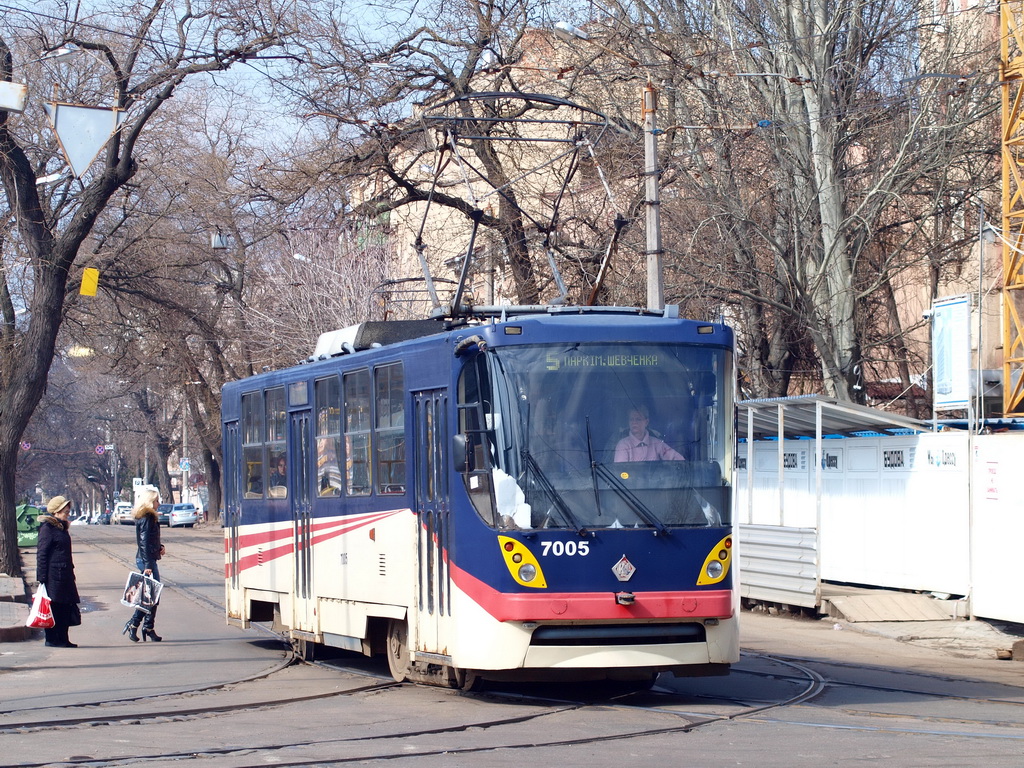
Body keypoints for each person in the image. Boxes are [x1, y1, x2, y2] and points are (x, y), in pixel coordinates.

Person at [35, 496, 81, 648]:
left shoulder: (62, 527)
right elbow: (42, 553)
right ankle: (52, 639)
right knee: (54, 607)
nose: (67, 511)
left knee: (65, 607)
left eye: (68, 507)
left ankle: (63, 638)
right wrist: (42, 578)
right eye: (64, 508)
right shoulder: (48, 528)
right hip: (53, 576)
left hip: (66, 574)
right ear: (56, 511)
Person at [122, 489, 165, 642]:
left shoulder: (148, 517)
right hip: (146, 561)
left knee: (152, 595)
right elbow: (143, 542)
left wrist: (159, 546)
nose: (158, 504)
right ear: (149, 501)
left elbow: (150, 540)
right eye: (156, 500)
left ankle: (146, 627)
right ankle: (137, 625)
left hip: (148, 559)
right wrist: (148, 564)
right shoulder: (147, 517)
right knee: (150, 595)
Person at [614, 405, 686, 462]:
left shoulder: (657, 444)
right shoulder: (623, 445)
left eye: (638, 419)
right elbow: (620, 472)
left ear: (646, 422)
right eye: (631, 419)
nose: (634, 422)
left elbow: (679, 460)